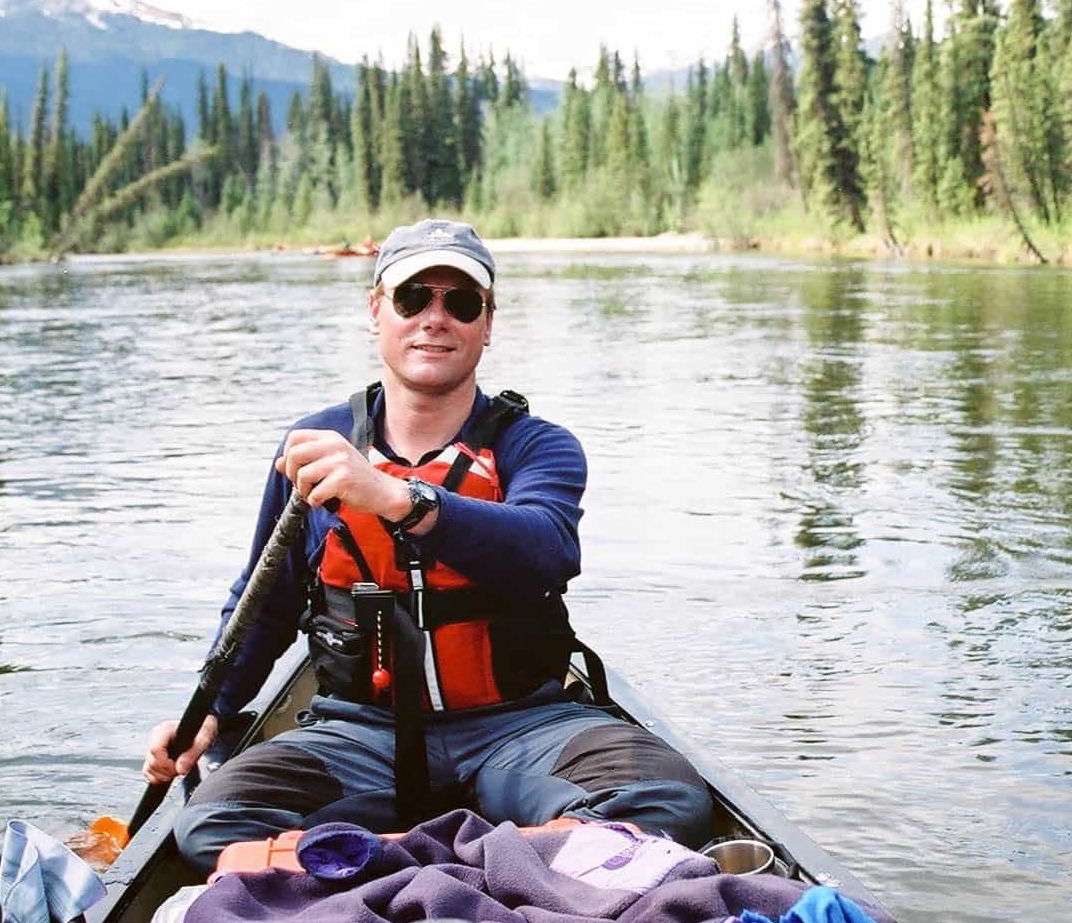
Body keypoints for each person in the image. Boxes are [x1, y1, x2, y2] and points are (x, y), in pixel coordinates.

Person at [143, 218, 713, 872]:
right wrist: (210, 712)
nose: (435, 318)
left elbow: (546, 546)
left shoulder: (538, 445)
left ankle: (377, 866)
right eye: (414, 298)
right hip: (358, 734)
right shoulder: (312, 446)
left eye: (461, 302)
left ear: (487, 324)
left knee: (665, 797)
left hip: (522, 728)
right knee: (213, 824)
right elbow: (265, 602)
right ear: (376, 312)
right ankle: (503, 864)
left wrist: (396, 496)